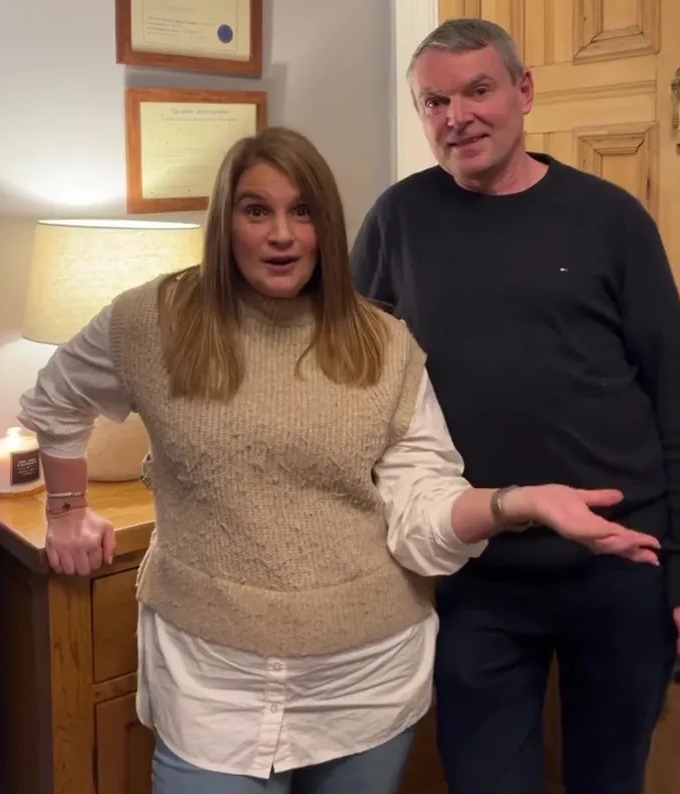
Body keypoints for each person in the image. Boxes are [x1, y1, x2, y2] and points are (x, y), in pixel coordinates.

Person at [20, 127, 659, 794]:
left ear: (327, 226)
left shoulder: (383, 345)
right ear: (225, 222)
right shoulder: (154, 321)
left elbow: (422, 508)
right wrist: (66, 511)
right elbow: (58, 399)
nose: (282, 235)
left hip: (364, 682)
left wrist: (517, 503)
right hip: (212, 684)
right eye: (256, 210)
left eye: (303, 212)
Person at [350, 17, 680, 794]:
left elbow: (673, 393)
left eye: (478, 89)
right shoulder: (397, 220)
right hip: (476, 571)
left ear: (523, 92)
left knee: (611, 778)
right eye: (435, 101)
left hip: (620, 558)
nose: (457, 115)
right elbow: (349, 380)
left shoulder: (611, 218)